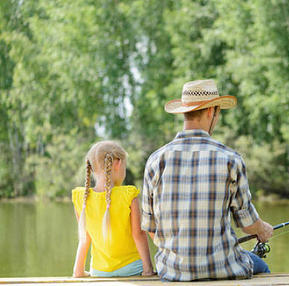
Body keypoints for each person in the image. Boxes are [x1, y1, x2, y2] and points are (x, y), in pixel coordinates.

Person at [142, 79, 273, 281]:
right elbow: (248, 225)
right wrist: (263, 229)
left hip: (173, 272)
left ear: (184, 112)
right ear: (211, 111)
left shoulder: (155, 161)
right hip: (223, 269)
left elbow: (151, 227)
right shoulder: (231, 159)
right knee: (262, 268)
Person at [72, 141, 154, 277]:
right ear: (118, 163)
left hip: (99, 271)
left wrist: (78, 272)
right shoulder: (128, 195)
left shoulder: (81, 198)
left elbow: (84, 238)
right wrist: (148, 270)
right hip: (132, 269)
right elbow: (138, 235)